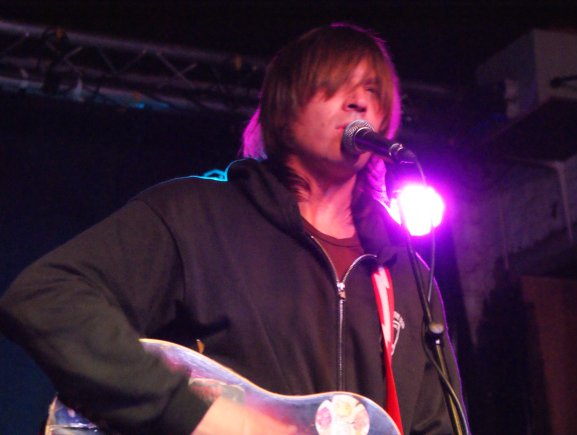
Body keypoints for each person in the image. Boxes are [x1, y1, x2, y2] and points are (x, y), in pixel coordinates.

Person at [0, 23, 464, 434]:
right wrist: (192, 413)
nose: (359, 99)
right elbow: (45, 296)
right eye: (335, 84)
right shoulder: (196, 215)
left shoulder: (408, 276)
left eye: (372, 90)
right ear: (284, 108)